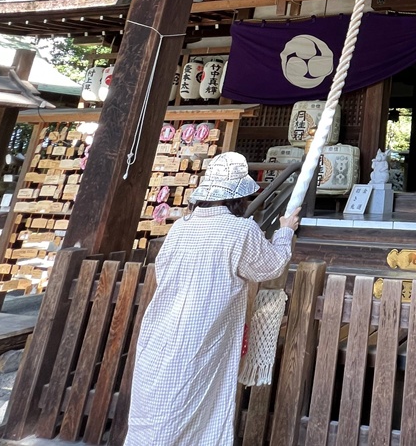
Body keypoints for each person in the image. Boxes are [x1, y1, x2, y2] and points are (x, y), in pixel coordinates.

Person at [124, 152, 301, 446]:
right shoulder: (240, 230)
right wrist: (284, 232)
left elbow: (164, 270)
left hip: (160, 333)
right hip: (203, 336)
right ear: (239, 197)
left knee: (155, 410)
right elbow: (270, 266)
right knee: (196, 409)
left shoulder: (180, 227)